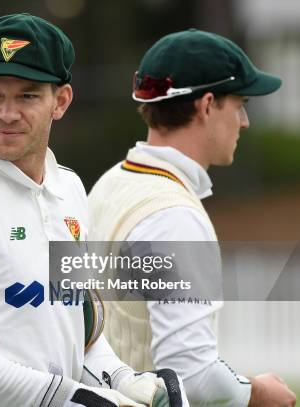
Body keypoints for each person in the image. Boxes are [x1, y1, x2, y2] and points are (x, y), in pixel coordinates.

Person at [0, 13, 187, 407]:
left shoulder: (68, 186)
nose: (7, 113)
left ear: (61, 101)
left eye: (28, 95)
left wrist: (122, 379)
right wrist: (69, 397)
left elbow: (78, 326)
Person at [87, 29, 296, 407]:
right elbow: (190, 375)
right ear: (208, 105)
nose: (245, 121)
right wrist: (258, 394)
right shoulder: (174, 216)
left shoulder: (106, 185)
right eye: (240, 103)